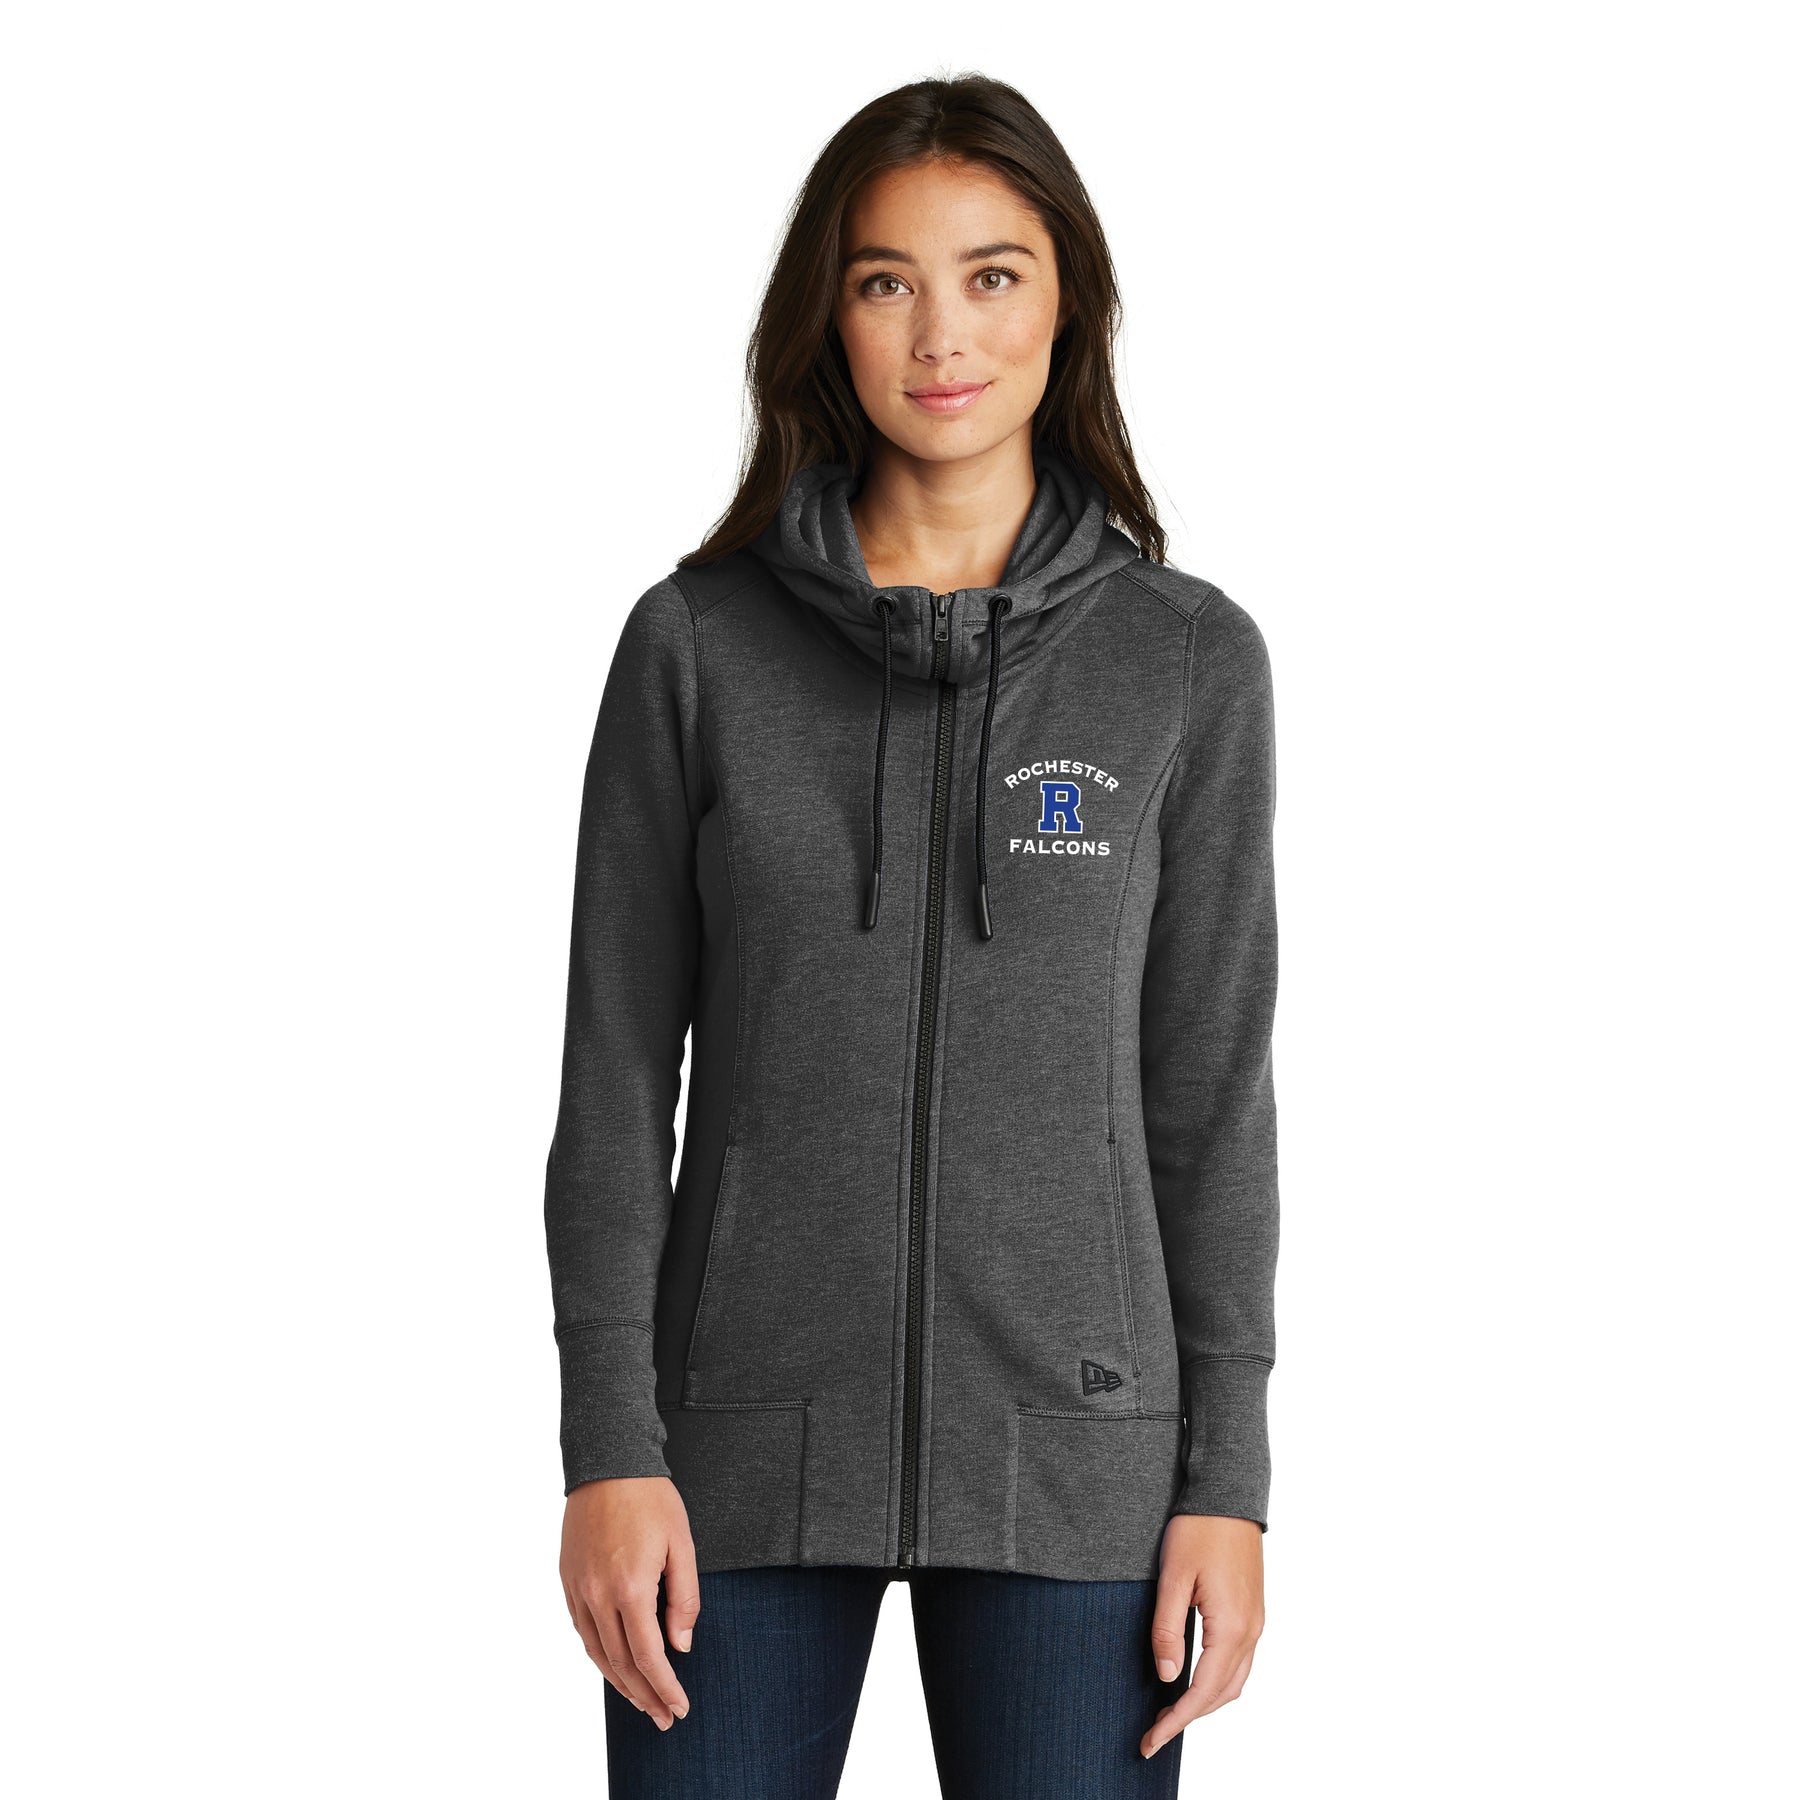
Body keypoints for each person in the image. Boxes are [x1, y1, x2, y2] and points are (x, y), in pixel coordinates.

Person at [543, 72, 1280, 1800]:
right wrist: (608, 1448)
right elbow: (612, 1085)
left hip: (1083, 1467)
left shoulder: (1186, 663)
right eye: (886, 281)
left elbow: (1209, 1101)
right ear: (830, 316)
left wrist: (1227, 1482)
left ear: (1069, 301)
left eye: (991, 275)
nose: (941, 333)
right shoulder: (695, 649)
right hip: (723, 1468)